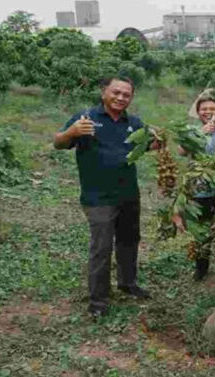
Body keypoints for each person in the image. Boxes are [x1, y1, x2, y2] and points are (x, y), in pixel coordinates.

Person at [53, 77, 153, 317]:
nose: (120, 98)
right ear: (103, 92)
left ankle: (127, 283)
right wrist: (71, 132)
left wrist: (158, 140)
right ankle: (98, 300)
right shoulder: (86, 118)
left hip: (129, 194)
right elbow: (58, 143)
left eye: (126, 95)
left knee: (129, 241)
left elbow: (148, 145)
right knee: (102, 247)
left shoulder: (134, 123)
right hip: (98, 197)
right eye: (116, 92)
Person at [177, 96, 215, 280]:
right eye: (204, 109)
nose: (208, 112)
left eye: (212, 108)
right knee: (202, 228)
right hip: (200, 187)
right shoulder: (191, 130)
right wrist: (200, 134)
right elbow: (181, 151)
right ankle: (201, 267)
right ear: (198, 113)